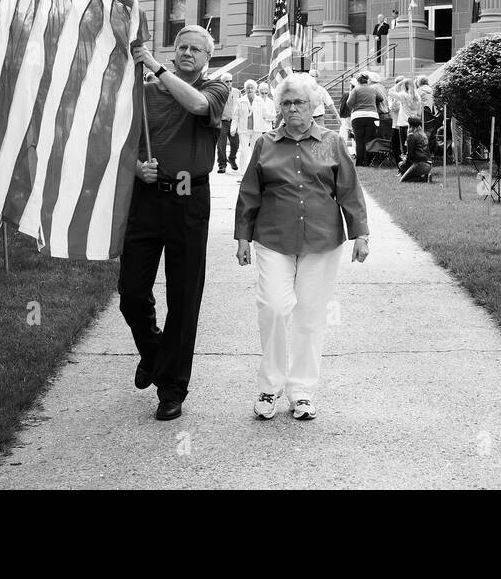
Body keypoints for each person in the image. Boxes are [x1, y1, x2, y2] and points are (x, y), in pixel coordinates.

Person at [235, 73, 369, 420]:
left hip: (321, 241)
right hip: (273, 239)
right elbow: (250, 192)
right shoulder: (266, 143)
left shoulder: (330, 142)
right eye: (287, 103)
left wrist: (361, 234)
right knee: (275, 308)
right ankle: (270, 386)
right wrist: (242, 237)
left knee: (310, 317)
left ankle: (302, 391)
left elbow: (349, 191)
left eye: (300, 103)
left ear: (314, 107)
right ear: (279, 108)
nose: (293, 108)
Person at [121, 25, 230, 421]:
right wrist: (136, 168)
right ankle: (154, 354)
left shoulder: (217, 89)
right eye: (181, 46)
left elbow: (197, 106)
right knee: (132, 292)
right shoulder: (144, 93)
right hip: (148, 200)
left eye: (195, 49)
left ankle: (171, 388)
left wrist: (154, 65)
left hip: (189, 200)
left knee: (183, 297)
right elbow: (123, 139)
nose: (186, 53)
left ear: (207, 57)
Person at [347, 72, 387, 167]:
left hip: (358, 116)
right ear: (367, 80)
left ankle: (359, 162)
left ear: (358, 81)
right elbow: (381, 98)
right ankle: (367, 161)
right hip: (372, 116)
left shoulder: (355, 90)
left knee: (359, 140)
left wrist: (355, 106)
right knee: (368, 140)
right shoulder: (372, 89)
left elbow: (349, 103)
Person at [389, 76, 421, 164]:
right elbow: (419, 112)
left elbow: (390, 92)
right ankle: (414, 164)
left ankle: (406, 167)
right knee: (413, 147)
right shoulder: (417, 96)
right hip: (414, 123)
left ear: (404, 86)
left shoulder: (404, 95)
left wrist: (399, 83)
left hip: (404, 123)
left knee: (405, 147)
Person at [216, 72, 241, 174]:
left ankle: (232, 159)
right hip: (222, 121)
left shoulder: (237, 92)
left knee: (235, 144)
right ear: (222, 82)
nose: (229, 83)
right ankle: (222, 165)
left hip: (234, 122)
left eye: (231, 81)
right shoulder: (218, 93)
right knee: (221, 145)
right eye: (227, 81)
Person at [399, 116, 433, 182]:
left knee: (403, 181)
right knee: (402, 165)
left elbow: (410, 155)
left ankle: (423, 178)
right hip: (428, 164)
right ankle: (424, 176)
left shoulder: (411, 135)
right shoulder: (422, 134)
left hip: (420, 164)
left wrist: (404, 160)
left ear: (410, 126)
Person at [234, 80, 260, 165]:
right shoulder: (240, 100)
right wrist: (233, 128)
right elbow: (235, 116)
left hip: (256, 129)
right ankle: (243, 171)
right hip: (243, 129)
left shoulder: (259, 100)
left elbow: (265, 113)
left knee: (255, 151)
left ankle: (253, 169)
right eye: (248, 88)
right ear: (245, 89)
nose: (250, 90)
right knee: (244, 151)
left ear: (255, 89)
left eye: (252, 88)